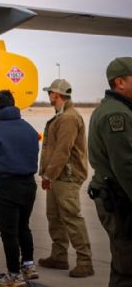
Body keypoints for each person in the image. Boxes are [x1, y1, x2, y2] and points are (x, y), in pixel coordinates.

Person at [0, 90, 40, 286]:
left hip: (7, 186)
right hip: (29, 184)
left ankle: (13, 274)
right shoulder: (29, 128)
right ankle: (29, 266)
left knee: (9, 232)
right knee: (24, 226)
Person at [38, 79, 94, 277]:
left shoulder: (69, 118)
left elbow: (63, 151)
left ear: (56, 94)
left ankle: (85, 262)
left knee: (71, 217)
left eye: (50, 93)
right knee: (55, 217)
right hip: (57, 176)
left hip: (67, 176)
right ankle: (59, 256)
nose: (49, 97)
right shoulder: (61, 115)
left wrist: (48, 175)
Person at [88, 57, 132, 287]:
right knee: (127, 266)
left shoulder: (116, 109)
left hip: (116, 195)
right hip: (120, 199)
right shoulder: (118, 115)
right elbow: (126, 165)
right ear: (120, 82)